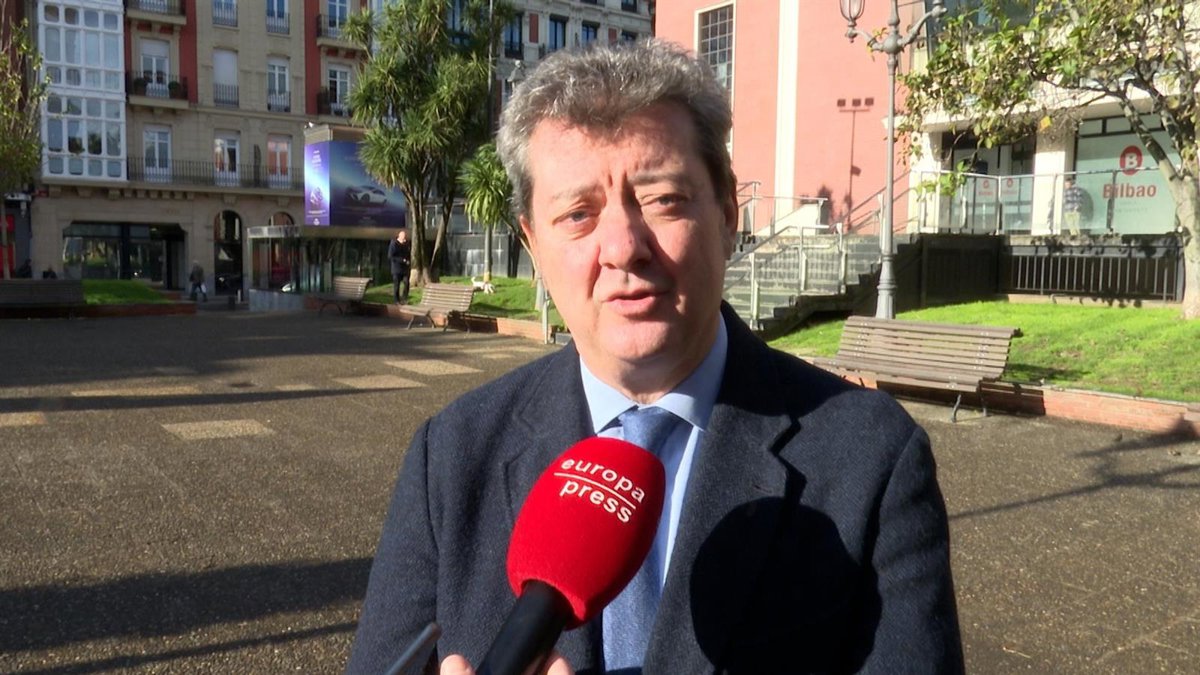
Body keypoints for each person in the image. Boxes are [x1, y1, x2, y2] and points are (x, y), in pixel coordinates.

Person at [347, 39, 963, 674]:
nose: (623, 247)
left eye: (663, 199)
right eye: (578, 214)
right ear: (532, 244)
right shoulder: (451, 457)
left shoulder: (872, 457)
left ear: (727, 213)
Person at [388, 226, 412, 305]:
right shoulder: (394, 243)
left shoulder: (406, 244)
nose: (404, 239)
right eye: (403, 237)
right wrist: (402, 260)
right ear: (399, 236)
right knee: (397, 285)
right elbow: (391, 256)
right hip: (396, 268)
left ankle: (404, 298)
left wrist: (408, 261)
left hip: (405, 269)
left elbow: (408, 254)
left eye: (405, 237)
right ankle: (396, 300)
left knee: (406, 283)